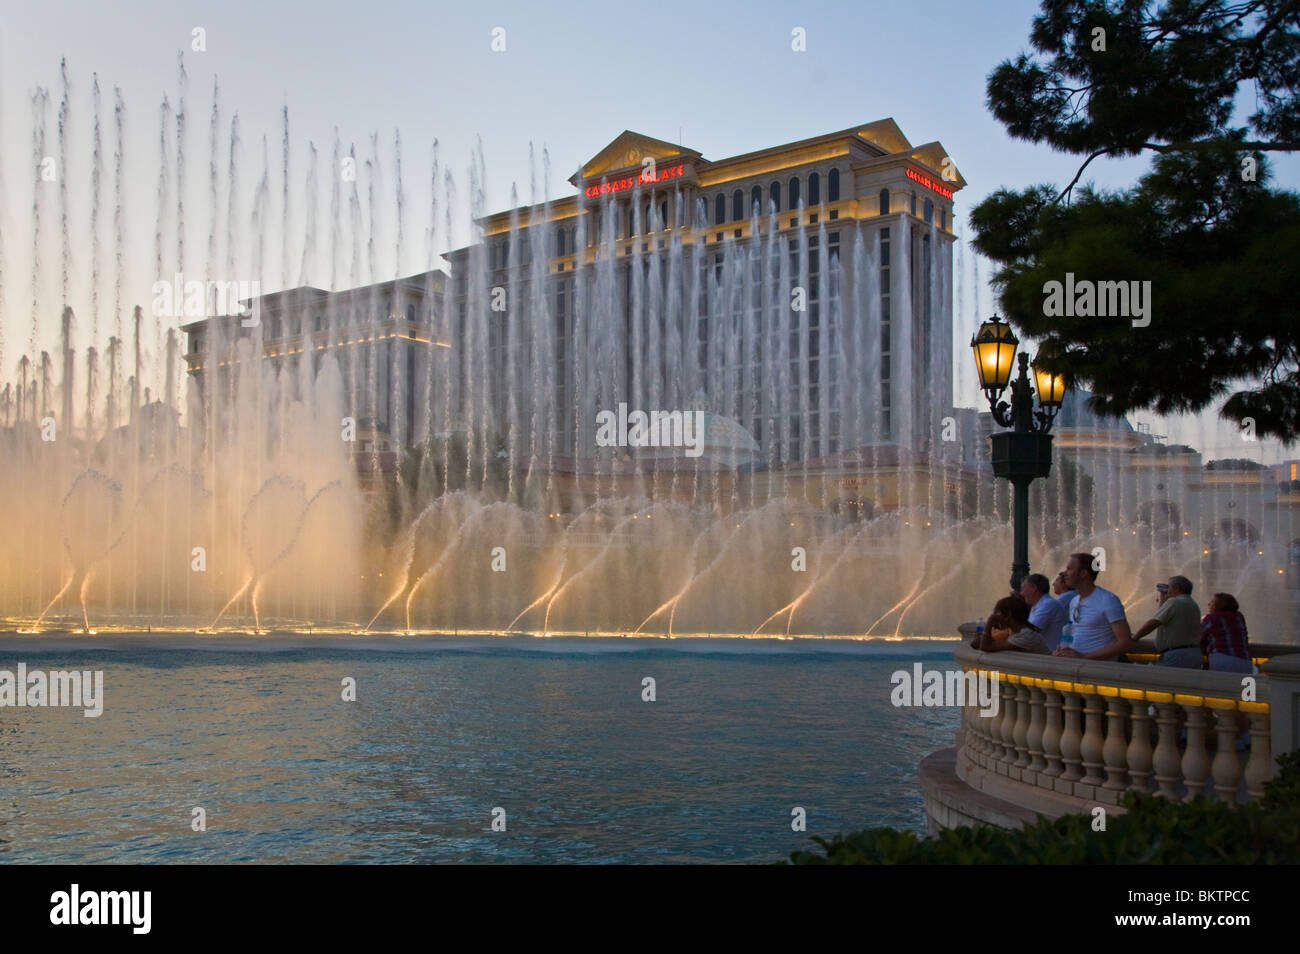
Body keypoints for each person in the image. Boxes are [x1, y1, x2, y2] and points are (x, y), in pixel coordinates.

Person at [1052, 552, 1133, 660]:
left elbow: (1125, 643)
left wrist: (1085, 657)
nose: (1063, 573)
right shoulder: (1074, 601)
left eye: (1069, 569)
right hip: (1075, 668)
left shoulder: (1108, 600)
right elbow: (1074, 631)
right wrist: (1062, 648)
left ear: (1083, 574)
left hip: (1098, 671)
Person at [1132, 575, 1202, 668]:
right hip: (1193, 653)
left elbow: (1153, 623)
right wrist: (1163, 599)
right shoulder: (1193, 604)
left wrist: (1135, 637)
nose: (1167, 589)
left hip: (1177, 655)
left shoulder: (1174, 602)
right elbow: (1164, 617)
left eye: (1168, 586)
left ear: (1176, 587)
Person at [976, 594, 1050, 654]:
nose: (996, 617)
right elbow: (975, 643)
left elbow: (985, 647)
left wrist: (990, 621)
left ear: (1008, 615)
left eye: (998, 613)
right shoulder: (1012, 631)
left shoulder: (1026, 635)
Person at [1200, 593, 1253, 673]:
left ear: (1219, 605)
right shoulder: (1239, 617)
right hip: (1245, 661)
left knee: (1219, 685)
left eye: (1212, 602)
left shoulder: (1211, 618)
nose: (1209, 604)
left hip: (1222, 661)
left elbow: (1197, 637)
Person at [1020, 573, 1066, 652]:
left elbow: (1029, 633)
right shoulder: (1038, 605)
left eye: (1023, 588)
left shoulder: (1048, 604)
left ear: (1034, 588)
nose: (1021, 593)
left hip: (1052, 657)